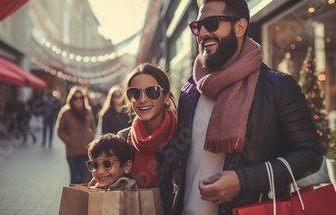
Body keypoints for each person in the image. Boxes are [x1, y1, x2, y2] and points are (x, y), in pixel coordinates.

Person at [163, 0, 323, 214]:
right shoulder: (190, 91)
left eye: (210, 23)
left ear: (240, 27)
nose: (201, 34)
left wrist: (243, 181)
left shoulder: (279, 87)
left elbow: (310, 155)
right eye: (197, 26)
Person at [117, 63, 178, 191]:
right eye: (135, 93)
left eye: (152, 91)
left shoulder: (183, 135)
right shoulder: (122, 140)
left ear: (166, 96)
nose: (143, 99)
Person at [56, 86, 96, 184]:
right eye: (75, 98)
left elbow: (93, 128)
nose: (78, 100)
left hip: (86, 151)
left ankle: (83, 199)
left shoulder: (88, 111)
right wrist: (69, 140)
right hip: (72, 152)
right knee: (74, 179)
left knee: (85, 179)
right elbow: (59, 130)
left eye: (81, 98)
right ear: (71, 99)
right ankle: (73, 199)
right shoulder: (66, 112)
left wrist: (90, 138)